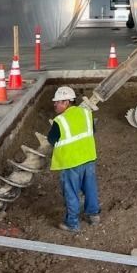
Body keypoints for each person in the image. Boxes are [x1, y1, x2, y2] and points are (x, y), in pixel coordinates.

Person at [47, 85, 101, 232]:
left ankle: (72, 223)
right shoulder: (86, 113)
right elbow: (92, 131)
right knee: (90, 189)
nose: (55, 105)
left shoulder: (60, 121)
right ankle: (94, 215)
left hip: (71, 162)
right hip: (88, 158)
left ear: (66, 102)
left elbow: (51, 140)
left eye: (57, 102)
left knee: (71, 193)